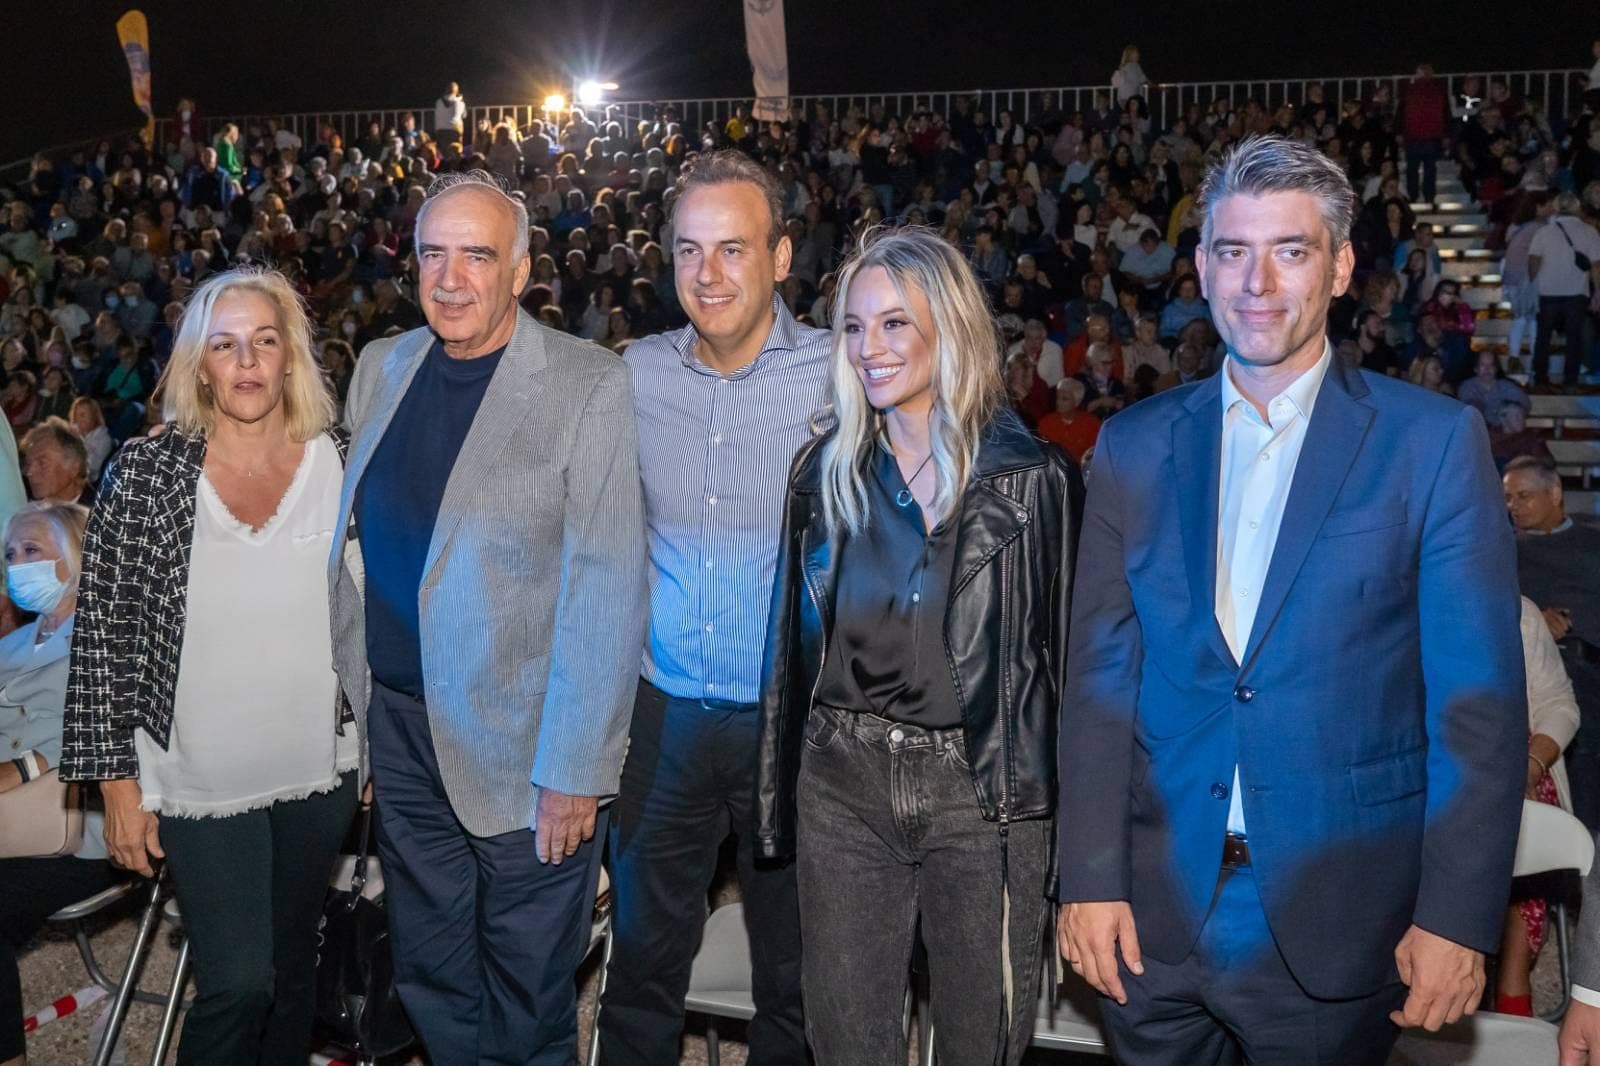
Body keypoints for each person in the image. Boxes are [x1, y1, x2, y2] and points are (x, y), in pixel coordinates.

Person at [1058, 135, 1525, 1065]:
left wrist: (1455, 915)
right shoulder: (1134, 446)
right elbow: (1101, 683)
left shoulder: (1431, 443)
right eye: (1234, 251)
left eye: (1291, 250)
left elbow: (1476, 704)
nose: (1257, 282)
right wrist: (1089, 877)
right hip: (1154, 919)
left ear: (1341, 268)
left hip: (1339, 919)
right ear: (1201, 267)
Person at [334, 170, 647, 1063]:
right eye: (433, 254)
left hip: (528, 746)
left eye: (477, 255)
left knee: (527, 989)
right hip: (402, 729)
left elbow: (608, 586)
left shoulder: (587, 385)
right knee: (431, 972)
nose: (450, 278)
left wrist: (577, 769)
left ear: (519, 270)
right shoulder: (382, 366)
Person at [755, 226, 1082, 1064]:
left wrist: (1076, 849)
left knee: (982, 1045)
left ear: (951, 327)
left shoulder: (1034, 479)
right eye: (855, 327)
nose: (869, 347)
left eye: (895, 323)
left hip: (983, 794)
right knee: (846, 1045)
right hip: (842, 782)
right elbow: (786, 659)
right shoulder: (821, 474)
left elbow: (1069, 670)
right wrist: (775, 798)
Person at [60, 268, 360, 1065]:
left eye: (264, 341)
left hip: (319, 770)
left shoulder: (342, 461)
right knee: (238, 980)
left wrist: (380, 741)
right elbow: (102, 637)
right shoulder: (147, 471)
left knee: (291, 970)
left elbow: (375, 611)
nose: (247, 361)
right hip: (196, 776)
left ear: (291, 356)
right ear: (200, 365)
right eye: (225, 346)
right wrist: (117, 786)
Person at [597, 150, 824, 1066]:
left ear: (781, 257)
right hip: (666, 716)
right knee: (641, 969)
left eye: (734, 248)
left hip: (793, 723)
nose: (708, 273)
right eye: (690, 250)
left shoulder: (843, 375)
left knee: (796, 980)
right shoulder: (635, 375)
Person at [0, 502, 113, 1066]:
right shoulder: (10, 647)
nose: (18, 565)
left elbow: (114, 731)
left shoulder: (110, 639)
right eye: (10, 554)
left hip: (85, 828)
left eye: (32, 551)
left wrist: (23, 768)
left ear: (77, 556)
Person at [1495, 594, 1581, 1016]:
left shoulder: (1517, 613)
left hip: (1517, 767)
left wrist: (1531, 765)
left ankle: (1513, 958)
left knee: (1511, 806)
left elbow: (1559, 705)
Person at [1506, 455, 1600, 833]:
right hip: (1541, 668)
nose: (1514, 506)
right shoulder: (1503, 551)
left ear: (1555, 493)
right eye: (1508, 498)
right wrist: (1536, 619)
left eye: (1523, 495)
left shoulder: (1592, 542)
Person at [1528, 192, 1600, 385]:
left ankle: (1540, 378)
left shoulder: (1543, 232)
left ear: (1556, 208)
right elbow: (1596, 266)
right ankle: (1570, 381)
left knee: (1543, 337)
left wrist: (1534, 283)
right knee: (1574, 338)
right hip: (1577, 292)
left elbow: (1533, 262)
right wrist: (1598, 293)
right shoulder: (1590, 232)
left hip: (1548, 292)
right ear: (1577, 208)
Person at [19, 420, 91, 505]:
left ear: (74, 467)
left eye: (42, 462)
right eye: (29, 464)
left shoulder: (99, 509)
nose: (30, 472)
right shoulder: (23, 503)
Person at [1458, 349, 1529, 428]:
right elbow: (1469, 408)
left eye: (1491, 365)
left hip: (1505, 430)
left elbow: (1523, 401)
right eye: (1482, 365)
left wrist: (1511, 409)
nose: (1487, 369)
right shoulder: (1467, 386)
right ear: (1475, 368)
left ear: (1496, 368)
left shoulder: (1506, 386)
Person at [1037, 376, 1102, 461]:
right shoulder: (1046, 423)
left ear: (1077, 402)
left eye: (1064, 399)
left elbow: (1096, 456)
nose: (1058, 402)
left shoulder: (1092, 424)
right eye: (1057, 397)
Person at [68, 398, 112, 484]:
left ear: (94, 416)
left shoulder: (104, 439)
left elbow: (94, 466)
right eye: (76, 415)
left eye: (83, 415)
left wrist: (79, 441)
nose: (78, 419)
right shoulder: (74, 434)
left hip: (85, 482)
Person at [433, 81, 467, 145]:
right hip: (455, 130)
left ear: (446, 90)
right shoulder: (460, 103)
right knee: (455, 149)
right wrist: (460, 99)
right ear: (457, 91)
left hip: (440, 130)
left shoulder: (438, 102)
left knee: (442, 150)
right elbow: (464, 115)